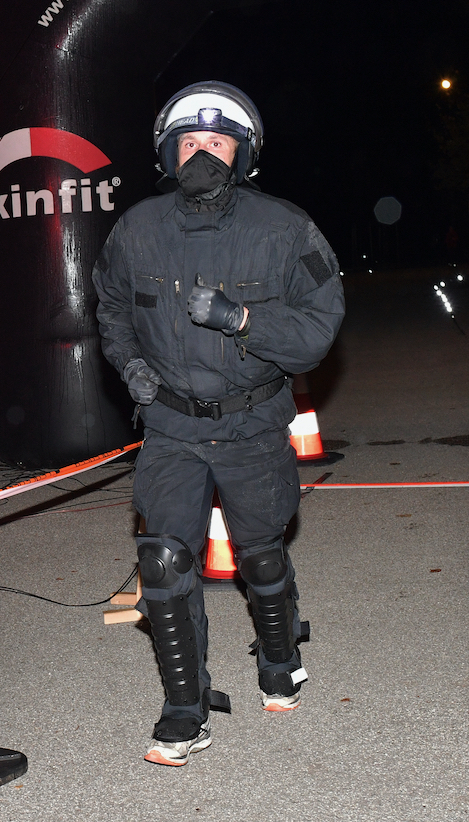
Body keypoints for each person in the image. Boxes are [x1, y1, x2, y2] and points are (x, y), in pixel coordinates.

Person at [93, 81, 345, 766]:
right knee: (165, 557)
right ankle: (185, 705)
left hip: (252, 423)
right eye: (191, 142)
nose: (203, 153)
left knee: (260, 551)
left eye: (218, 142)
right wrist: (131, 367)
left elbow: (321, 329)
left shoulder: (285, 229)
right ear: (169, 152)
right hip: (172, 425)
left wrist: (243, 320)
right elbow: (111, 305)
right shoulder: (137, 229)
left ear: (244, 153)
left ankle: (280, 654)